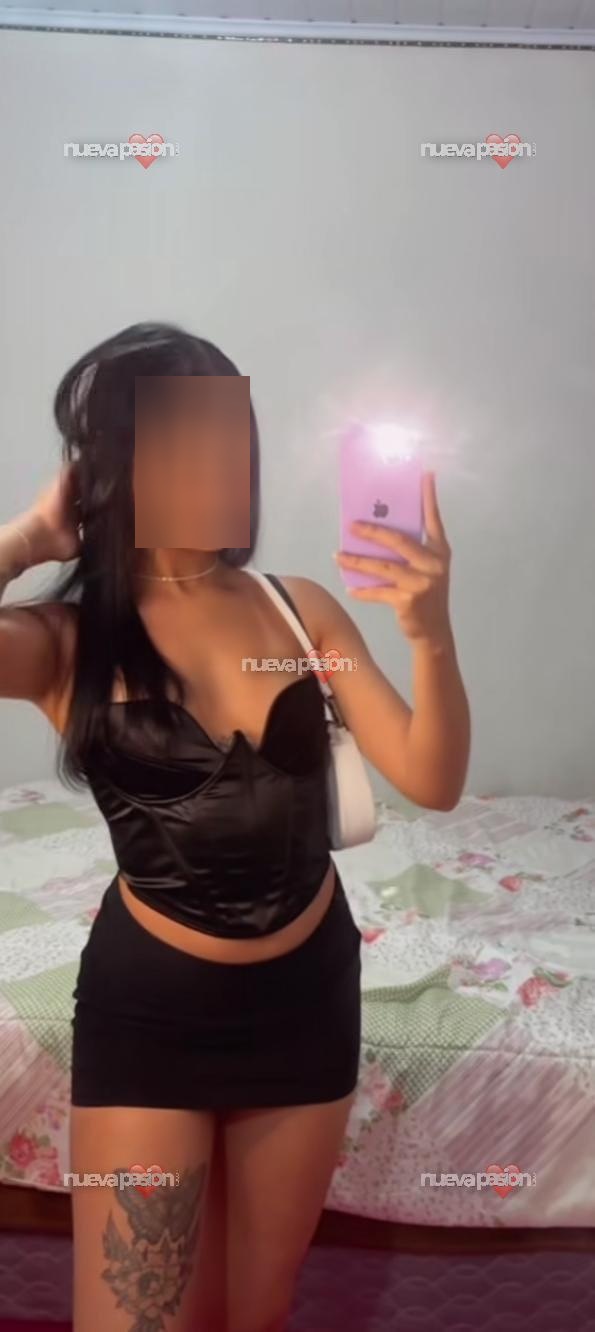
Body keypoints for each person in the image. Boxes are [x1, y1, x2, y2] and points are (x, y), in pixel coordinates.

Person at [0, 322, 470, 1332]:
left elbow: (431, 779)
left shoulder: (299, 610)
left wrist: (428, 631)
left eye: (232, 431)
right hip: (151, 1020)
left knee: (254, 1313)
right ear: (115, 460)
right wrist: (29, 540)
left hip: (307, 1002)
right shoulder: (64, 640)